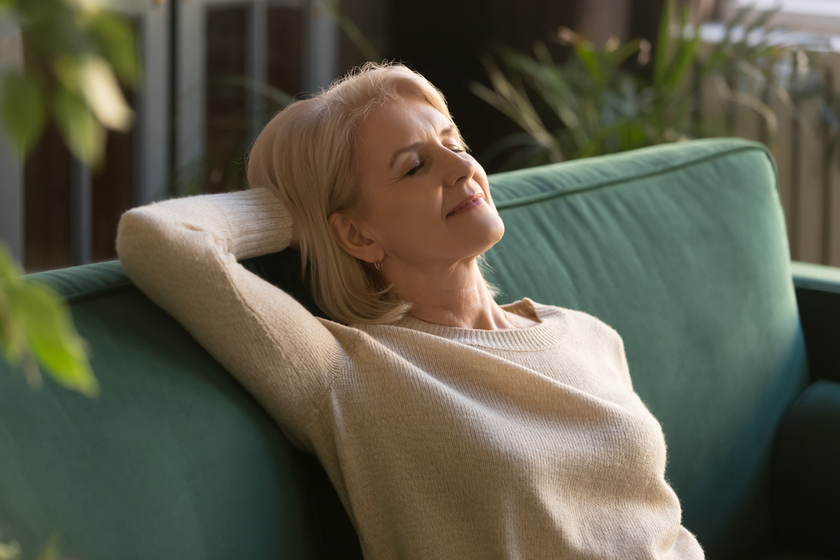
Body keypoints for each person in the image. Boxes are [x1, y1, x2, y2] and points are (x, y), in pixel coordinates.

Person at [116, 62, 705, 559]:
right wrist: (295, 212)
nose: (462, 168)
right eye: (415, 166)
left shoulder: (587, 335)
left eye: (453, 142)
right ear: (356, 234)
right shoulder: (345, 372)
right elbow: (158, 237)